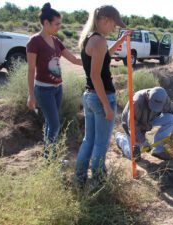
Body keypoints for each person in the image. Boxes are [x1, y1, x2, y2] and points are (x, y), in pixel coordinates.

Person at [75, 5, 131, 186]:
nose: (114, 29)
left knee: (89, 140)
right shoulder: (99, 41)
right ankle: (98, 182)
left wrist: (121, 40)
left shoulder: (90, 39)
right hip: (101, 98)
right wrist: (107, 105)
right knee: (100, 144)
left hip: (89, 96)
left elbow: (104, 57)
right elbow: (95, 75)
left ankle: (80, 178)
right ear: (105, 19)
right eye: (114, 25)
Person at [26, 2, 82, 159]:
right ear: (46, 23)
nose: (59, 27)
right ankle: (50, 158)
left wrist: (94, 62)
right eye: (56, 24)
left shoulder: (56, 41)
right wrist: (31, 95)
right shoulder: (34, 41)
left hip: (58, 89)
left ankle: (49, 154)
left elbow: (72, 58)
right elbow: (31, 70)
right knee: (55, 124)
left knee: (51, 124)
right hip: (44, 90)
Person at [115, 87, 173, 161]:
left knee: (171, 119)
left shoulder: (163, 99)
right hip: (132, 124)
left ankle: (158, 150)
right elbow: (133, 126)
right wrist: (143, 141)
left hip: (151, 119)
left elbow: (172, 111)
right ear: (148, 97)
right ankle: (120, 138)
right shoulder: (137, 101)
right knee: (135, 157)